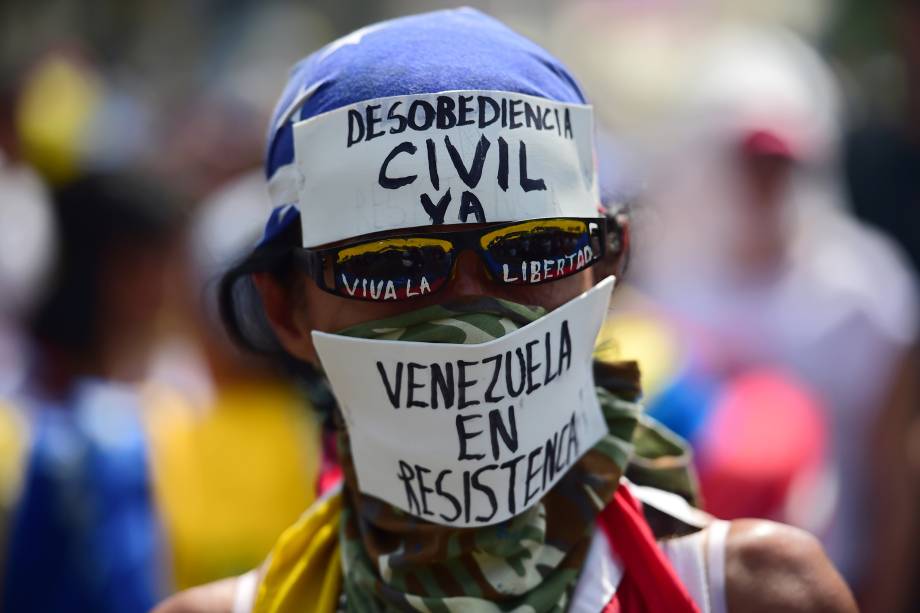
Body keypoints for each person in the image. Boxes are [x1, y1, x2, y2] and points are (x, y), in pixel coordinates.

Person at [155, 9, 856, 612]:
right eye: (392, 261)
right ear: (286, 309)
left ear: (603, 268)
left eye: (534, 247)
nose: (470, 304)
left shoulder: (755, 594)